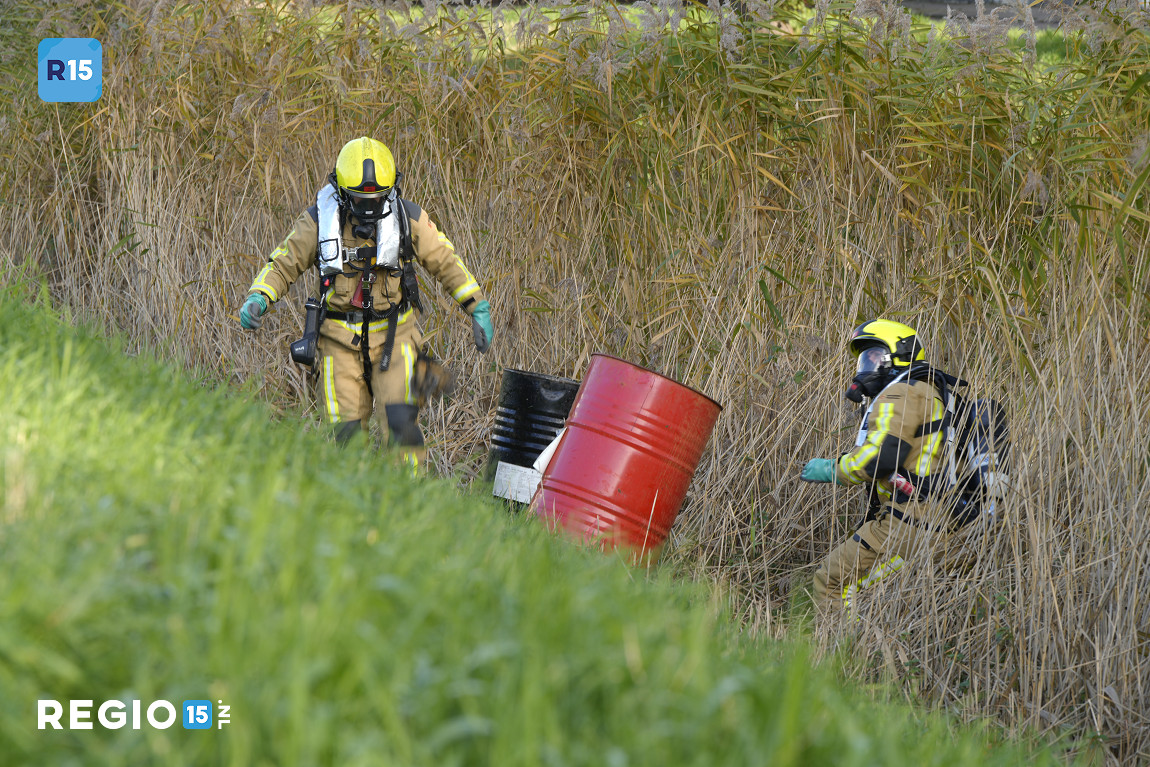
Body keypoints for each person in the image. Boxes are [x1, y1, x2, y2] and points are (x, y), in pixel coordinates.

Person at [237, 137, 493, 471]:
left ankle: (407, 506)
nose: (368, 208)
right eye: (360, 200)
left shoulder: (407, 217)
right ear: (341, 192)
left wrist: (477, 306)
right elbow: (283, 263)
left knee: (402, 429)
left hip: (395, 337)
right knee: (344, 436)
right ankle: (348, 510)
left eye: (376, 199)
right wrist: (260, 297)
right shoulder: (318, 221)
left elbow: (446, 261)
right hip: (337, 339)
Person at [800, 319, 968, 612]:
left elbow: (881, 457)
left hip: (910, 522)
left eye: (875, 356)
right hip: (943, 520)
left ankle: (839, 656)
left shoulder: (900, 392)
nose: (867, 365)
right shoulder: (929, 391)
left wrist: (831, 469)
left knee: (832, 583)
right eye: (866, 358)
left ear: (900, 356)